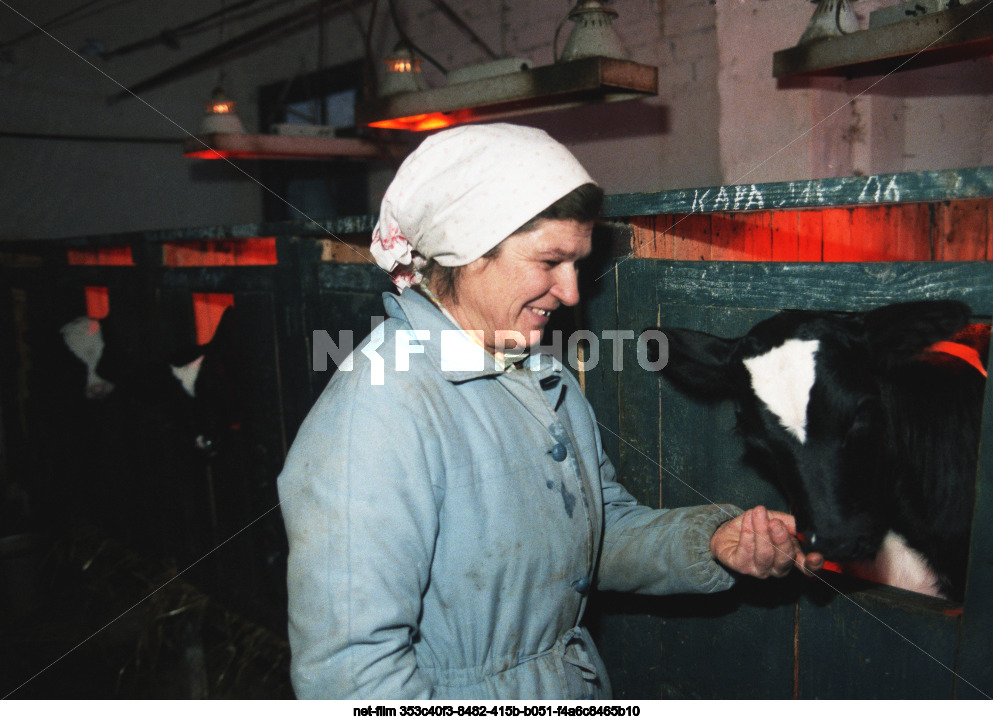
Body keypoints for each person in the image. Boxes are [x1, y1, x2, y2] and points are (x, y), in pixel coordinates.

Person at [277, 123, 823, 700]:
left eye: (577, 264)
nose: (570, 293)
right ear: (466, 247)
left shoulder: (536, 371)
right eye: (549, 261)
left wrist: (712, 542)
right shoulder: (380, 410)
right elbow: (350, 681)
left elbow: (591, 535)